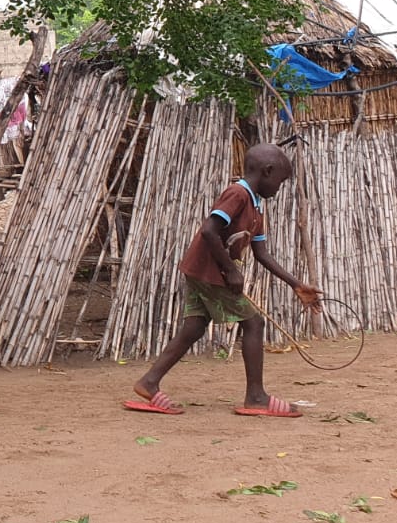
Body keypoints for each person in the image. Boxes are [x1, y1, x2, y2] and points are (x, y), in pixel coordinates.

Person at [125, 143, 321, 418]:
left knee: (194, 326)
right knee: (254, 322)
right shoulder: (237, 194)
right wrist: (230, 270)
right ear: (267, 171)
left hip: (200, 270)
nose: (280, 187)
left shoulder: (255, 208)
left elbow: (261, 254)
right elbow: (208, 231)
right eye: (281, 180)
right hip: (210, 273)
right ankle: (256, 397)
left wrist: (295, 284)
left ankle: (149, 382)